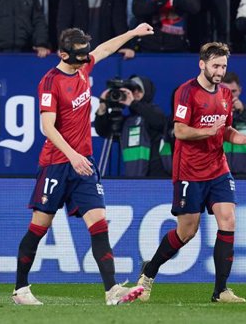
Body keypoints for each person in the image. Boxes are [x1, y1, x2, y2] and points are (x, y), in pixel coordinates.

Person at [12, 23, 154, 306]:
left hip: (84, 164)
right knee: (39, 227)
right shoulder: (50, 82)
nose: (85, 60)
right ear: (63, 55)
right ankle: (20, 290)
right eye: (79, 56)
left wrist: (132, 32)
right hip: (56, 163)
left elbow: (104, 48)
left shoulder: (83, 66)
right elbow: (47, 127)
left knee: (99, 223)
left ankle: (112, 290)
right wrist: (72, 155)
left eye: (85, 55)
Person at [136, 42, 246, 303]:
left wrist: (245, 140)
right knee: (187, 231)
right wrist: (209, 131)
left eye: (223, 66)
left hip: (218, 169)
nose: (220, 71)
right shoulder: (186, 92)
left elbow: (227, 130)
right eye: (216, 65)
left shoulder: (224, 95)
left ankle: (220, 290)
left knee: (228, 219)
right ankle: (149, 272)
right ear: (202, 64)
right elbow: (180, 131)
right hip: (189, 171)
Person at [94, 74, 169, 177]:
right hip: (134, 179)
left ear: (146, 91)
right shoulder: (128, 121)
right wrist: (102, 106)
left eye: (139, 89)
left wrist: (133, 103)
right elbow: (103, 131)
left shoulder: (154, 112)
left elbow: (160, 122)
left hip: (157, 177)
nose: (136, 93)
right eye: (132, 89)